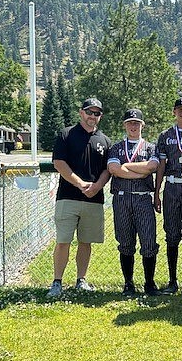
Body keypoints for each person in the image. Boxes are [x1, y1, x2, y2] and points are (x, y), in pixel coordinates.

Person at [46, 98, 111, 298]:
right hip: (68, 197)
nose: (93, 116)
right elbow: (59, 163)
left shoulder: (105, 141)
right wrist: (80, 184)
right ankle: (57, 282)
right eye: (89, 112)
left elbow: (107, 170)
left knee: (86, 242)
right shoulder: (66, 134)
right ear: (81, 113)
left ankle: (81, 280)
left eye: (97, 113)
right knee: (63, 241)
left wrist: (97, 186)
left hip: (93, 199)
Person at [107, 109, 161, 296]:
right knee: (125, 242)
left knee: (148, 241)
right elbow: (114, 168)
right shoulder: (116, 147)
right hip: (121, 198)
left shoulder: (151, 147)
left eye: (136, 123)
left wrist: (127, 166)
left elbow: (152, 166)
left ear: (142, 125)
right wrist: (140, 170)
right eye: (130, 122)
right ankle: (128, 283)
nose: (133, 126)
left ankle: (149, 283)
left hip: (143, 198)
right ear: (124, 125)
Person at [153, 97, 182, 295]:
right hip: (171, 188)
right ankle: (172, 281)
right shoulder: (165, 135)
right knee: (171, 235)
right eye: (180, 110)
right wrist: (157, 192)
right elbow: (161, 166)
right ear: (174, 112)